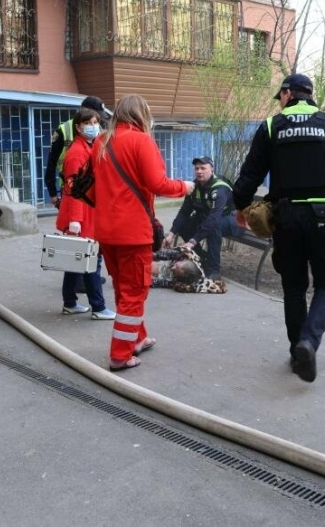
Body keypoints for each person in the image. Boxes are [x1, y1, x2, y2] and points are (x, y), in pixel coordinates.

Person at [232, 73, 325, 382]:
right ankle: (309, 342)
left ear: (287, 94)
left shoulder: (272, 127)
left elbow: (250, 173)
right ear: (310, 95)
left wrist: (239, 206)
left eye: (280, 97)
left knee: (294, 286)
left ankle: (297, 352)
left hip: (286, 219)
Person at [91, 94, 195, 371]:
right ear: (140, 115)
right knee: (135, 291)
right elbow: (157, 183)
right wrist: (184, 186)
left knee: (124, 288)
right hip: (132, 232)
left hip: (106, 231)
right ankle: (120, 355)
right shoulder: (141, 140)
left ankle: (138, 338)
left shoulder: (101, 142)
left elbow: (91, 188)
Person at [56, 108, 116, 320]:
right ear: (79, 127)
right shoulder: (76, 153)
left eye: (95, 122)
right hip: (81, 216)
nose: (94, 126)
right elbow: (73, 189)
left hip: (85, 213)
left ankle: (70, 302)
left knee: (76, 258)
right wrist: (74, 220)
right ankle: (98, 307)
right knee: (92, 259)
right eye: (89, 122)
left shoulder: (87, 147)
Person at [163, 156, 244, 279]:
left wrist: (192, 241)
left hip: (234, 221)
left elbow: (213, 219)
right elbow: (184, 212)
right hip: (211, 219)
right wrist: (171, 233)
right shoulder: (194, 186)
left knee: (213, 226)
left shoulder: (219, 188)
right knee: (185, 224)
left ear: (211, 169)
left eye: (203, 168)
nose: (199, 171)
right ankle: (202, 259)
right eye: (197, 168)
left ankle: (214, 270)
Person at [44, 96, 112, 209]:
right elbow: (52, 162)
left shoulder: (100, 131)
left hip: (95, 188)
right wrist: (53, 194)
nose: (96, 122)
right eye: (94, 114)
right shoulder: (64, 130)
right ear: (84, 110)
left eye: (96, 120)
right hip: (71, 187)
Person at [151, 247, 227, 294]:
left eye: (176, 271)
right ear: (183, 260)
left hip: (160, 272)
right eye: (177, 266)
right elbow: (162, 254)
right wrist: (152, 255)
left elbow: (159, 283)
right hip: (162, 261)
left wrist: (148, 281)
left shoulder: (179, 282)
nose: (173, 268)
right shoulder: (183, 255)